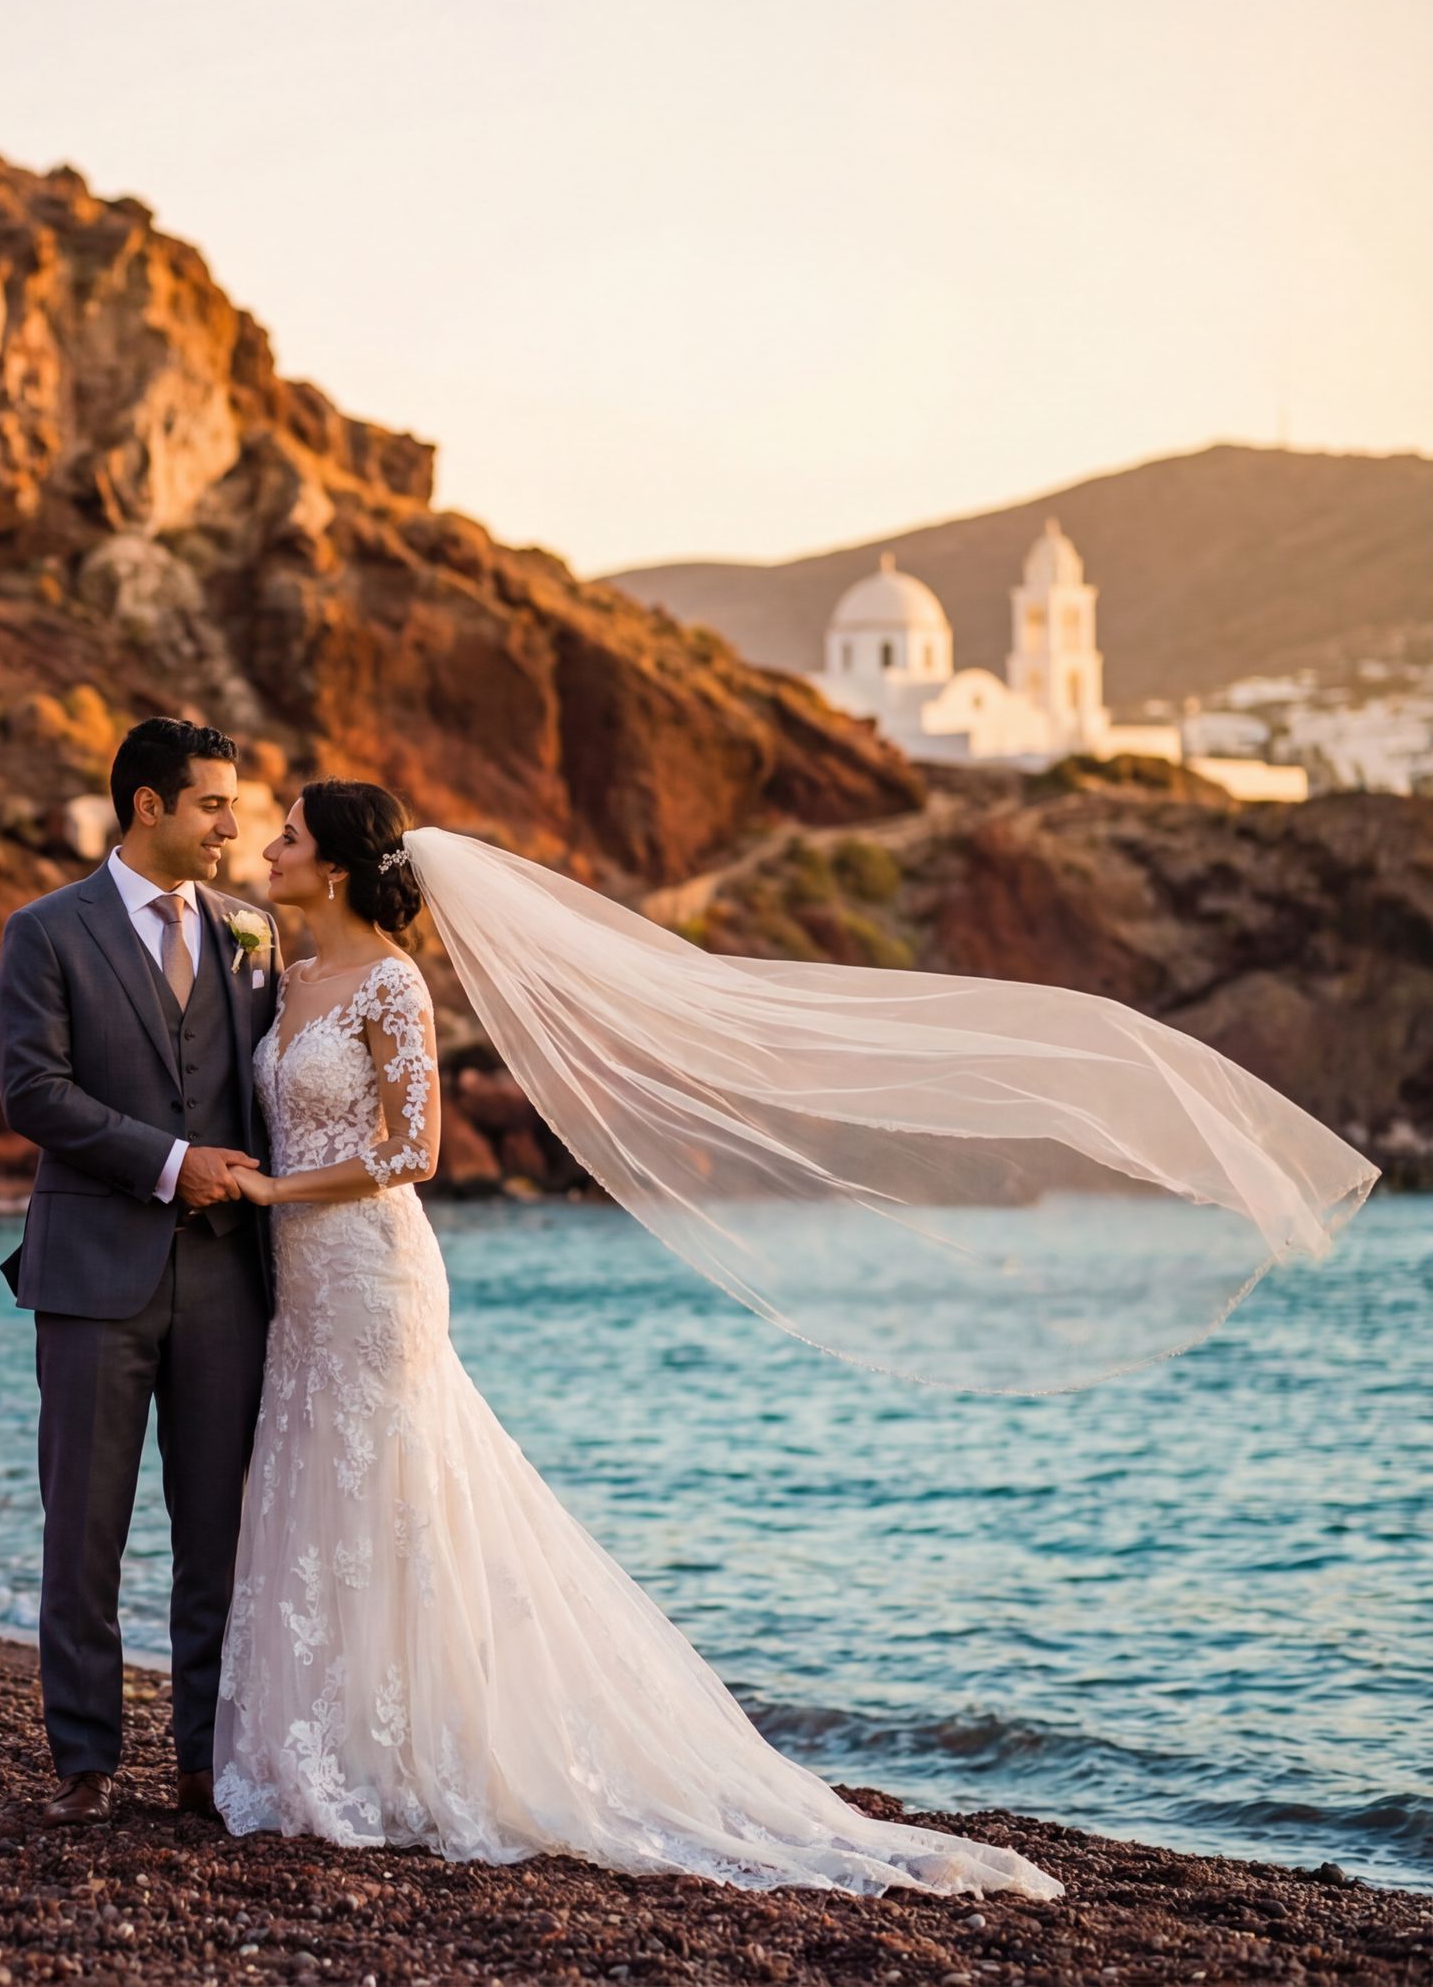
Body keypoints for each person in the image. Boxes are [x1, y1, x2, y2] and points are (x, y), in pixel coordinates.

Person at [208, 777, 1064, 1892]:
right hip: (304, 1283)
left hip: (372, 1270)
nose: (267, 847)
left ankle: (428, 1757)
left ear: (335, 866)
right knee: (321, 1485)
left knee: (399, 1493)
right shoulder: (288, 972)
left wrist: (276, 1195)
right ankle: (335, 1745)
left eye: (288, 835)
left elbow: (414, 1152)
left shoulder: (391, 986)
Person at [0, 717, 284, 1826]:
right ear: (149, 806)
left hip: (225, 1285)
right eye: (213, 803)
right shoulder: (46, 932)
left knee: (219, 1534)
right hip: (90, 1273)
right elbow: (33, 1092)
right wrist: (171, 1163)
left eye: (239, 805)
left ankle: (206, 1764)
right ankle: (85, 1763)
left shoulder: (252, 933)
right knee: (85, 1530)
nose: (232, 826)